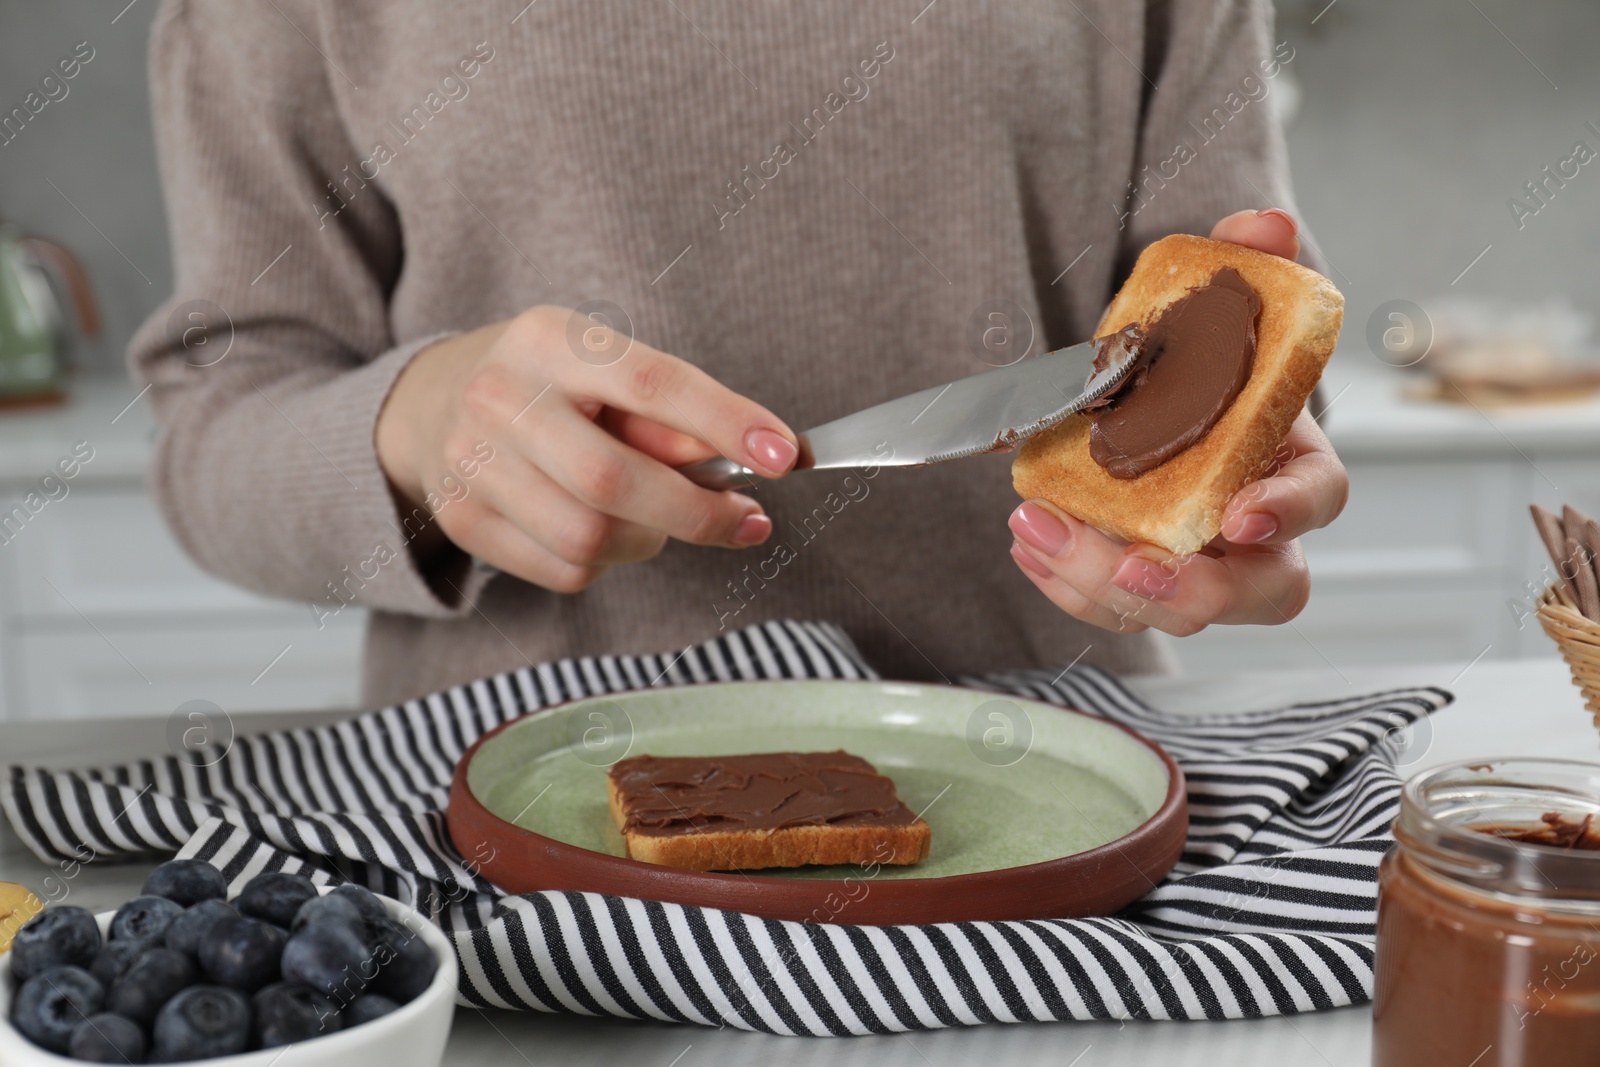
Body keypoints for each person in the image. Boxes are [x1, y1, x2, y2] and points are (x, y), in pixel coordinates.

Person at [129, 0, 1346, 708]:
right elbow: (214, 426)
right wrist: (409, 425)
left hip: (1053, 804)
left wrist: (1244, 480)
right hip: (513, 850)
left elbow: (1226, 328)